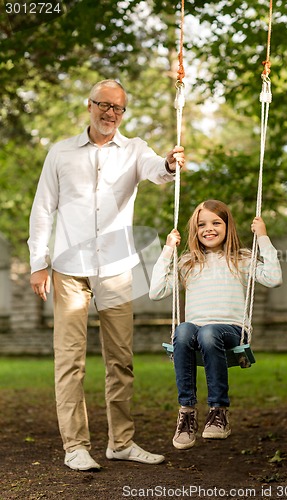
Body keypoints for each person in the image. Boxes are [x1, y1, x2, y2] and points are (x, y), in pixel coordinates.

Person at [28, 79, 185, 471]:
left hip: (115, 271)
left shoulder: (134, 150)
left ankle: (122, 442)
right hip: (69, 272)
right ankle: (76, 447)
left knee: (121, 360)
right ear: (89, 105)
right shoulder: (60, 153)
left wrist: (168, 164)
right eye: (104, 105)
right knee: (70, 361)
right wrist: (37, 262)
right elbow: (43, 209)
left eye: (118, 108)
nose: (111, 113)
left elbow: (157, 170)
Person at [149, 199, 282, 450]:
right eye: (202, 224)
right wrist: (167, 251)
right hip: (195, 333)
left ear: (227, 225)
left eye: (215, 222)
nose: (208, 228)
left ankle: (218, 411)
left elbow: (274, 279)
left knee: (209, 332)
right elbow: (156, 292)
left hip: (231, 331)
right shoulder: (188, 262)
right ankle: (187, 412)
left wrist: (263, 238)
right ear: (194, 230)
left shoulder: (241, 258)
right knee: (184, 330)